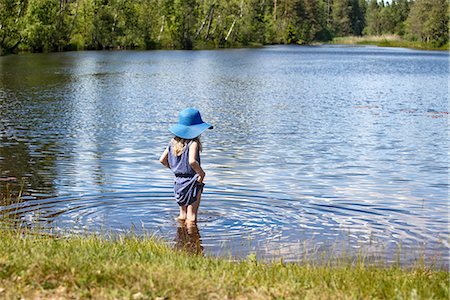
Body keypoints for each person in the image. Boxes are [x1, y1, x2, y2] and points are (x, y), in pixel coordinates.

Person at [159, 108, 213, 224]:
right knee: (192, 217)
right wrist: (201, 173)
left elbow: (162, 160)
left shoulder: (172, 142)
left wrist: (175, 168)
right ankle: (192, 240)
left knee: (182, 215)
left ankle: (181, 237)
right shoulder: (193, 143)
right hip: (192, 182)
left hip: (178, 182)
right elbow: (192, 161)